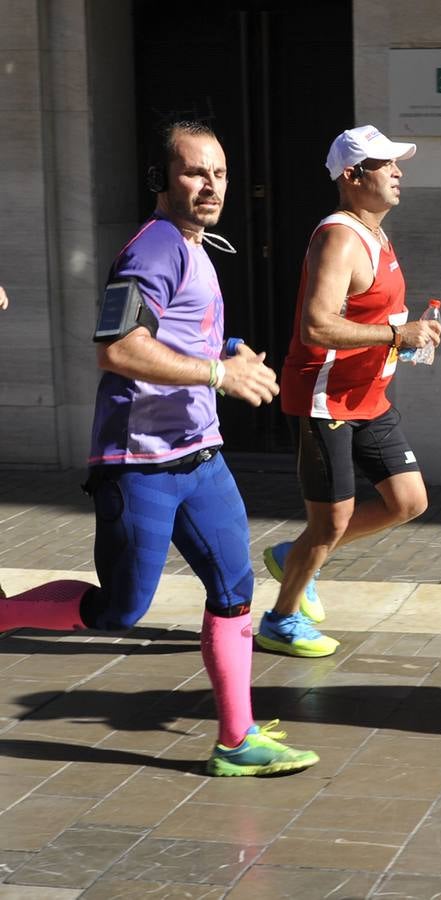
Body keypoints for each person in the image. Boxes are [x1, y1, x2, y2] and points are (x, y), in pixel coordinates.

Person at [0, 119, 317, 776]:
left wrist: (224, 353)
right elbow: (116, 349)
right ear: (160, 180)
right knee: (119, 608)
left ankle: (237, 740)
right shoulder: (155, 248)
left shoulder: (195, 247)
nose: (211, 185)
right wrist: (217, 374)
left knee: (233, 589)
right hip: (137, 463)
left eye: (220, 173)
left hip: (201, 456)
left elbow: (174, 336)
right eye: (195, 172)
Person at [257, 125, 439, 658]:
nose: (398, 172)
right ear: (352, 176)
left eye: (397, 163)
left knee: (408, 501)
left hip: (370, 397)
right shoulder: (339, 236)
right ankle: (280, 621)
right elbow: (316, 325)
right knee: (330, 520)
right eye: (386, 164)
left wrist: (409, 339)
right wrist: (393, 335)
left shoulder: (378, 235)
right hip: (326, 398)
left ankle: (296, 553)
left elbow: (377, 315)